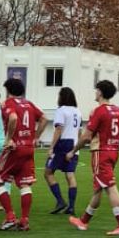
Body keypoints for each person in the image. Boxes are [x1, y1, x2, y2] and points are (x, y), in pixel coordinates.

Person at [67, 80, 119, 236]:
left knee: (110, 187)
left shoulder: (99, 111)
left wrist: (73, 151)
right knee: (98, 187)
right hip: (113, 152)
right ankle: (83, 221)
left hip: (100, 152)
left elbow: (86, 136)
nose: (95, 92)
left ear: (100, 92)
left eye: (96, 90)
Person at [0, 78, 50, 231]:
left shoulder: (7, 104)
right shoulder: (28, 104)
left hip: (14, 148)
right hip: (28, 148)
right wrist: (36, 137)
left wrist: (8, 139)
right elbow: (44, 118)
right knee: (24, 184)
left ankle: (10, 216)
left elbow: (13, 118)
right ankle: (24, 220)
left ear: (8, 90)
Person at [44, 87, 81, 215]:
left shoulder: (61, 110)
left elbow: (59, 128)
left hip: (63, 144)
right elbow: (79, 131)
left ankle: (60, 201)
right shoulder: (77, 111)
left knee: (48, 173)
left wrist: (51, 147)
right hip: (74, 145)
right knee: (70, 175)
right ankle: (71, 207)